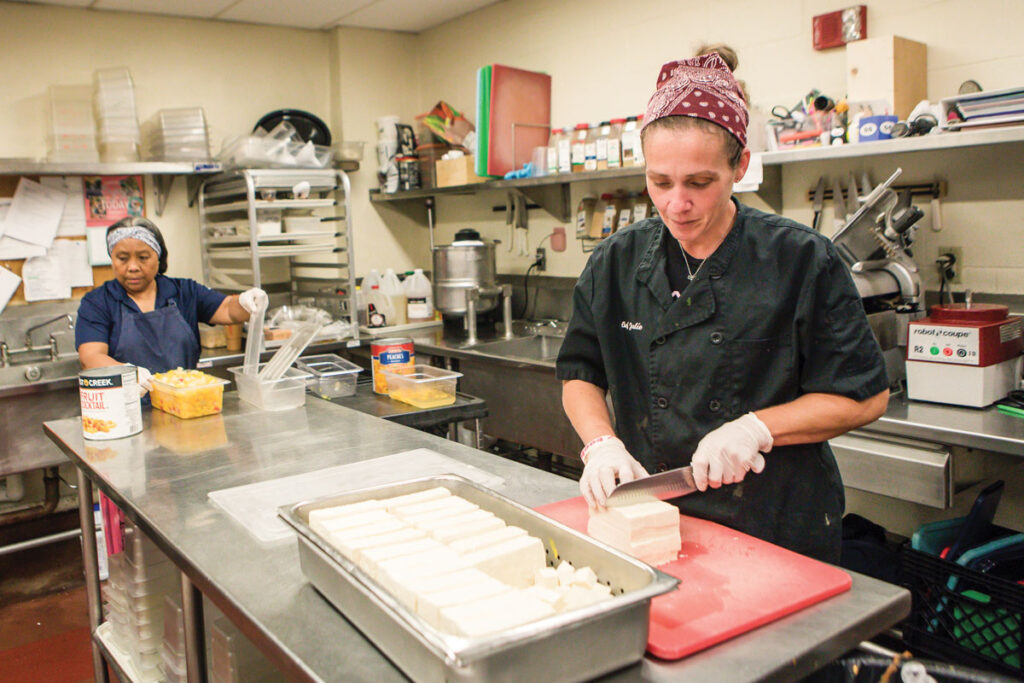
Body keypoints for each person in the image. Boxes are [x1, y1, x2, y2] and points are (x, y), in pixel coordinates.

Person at [555, 53, 890, 563]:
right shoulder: (615, 261)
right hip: (651, 516)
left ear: (740, 167)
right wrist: (601, 445)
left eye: (699, 182)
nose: (675, 204)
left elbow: (864, 397)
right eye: (660, 182)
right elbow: (581, 372)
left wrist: (757, 428)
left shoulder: (800, 259)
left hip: (774, 524)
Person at [76, 216, 267, 392]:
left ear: (158, 258)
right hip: (128, 410)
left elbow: (227, 309)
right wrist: (126, 373)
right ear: (112, 258)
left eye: (143, 258)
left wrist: (246, 302)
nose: (133, 267)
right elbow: (90, 357)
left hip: (185, 404)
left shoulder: (184, 291)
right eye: (122, 259)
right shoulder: (98, 303)